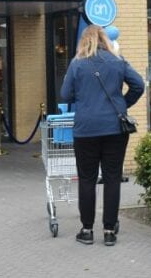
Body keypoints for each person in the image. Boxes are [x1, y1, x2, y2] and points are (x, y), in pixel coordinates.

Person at [60, 25, 145, 246]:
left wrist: (84, 98)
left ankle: (87, 230)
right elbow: (138, 85)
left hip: (86, 129)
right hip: (114, 128)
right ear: (105, 40)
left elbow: (65, 94)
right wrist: (122, 105)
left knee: (87, 179)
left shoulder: (77, 63)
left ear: (84, 41)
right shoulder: (117, 61)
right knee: (112, 178)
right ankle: (109, 230)